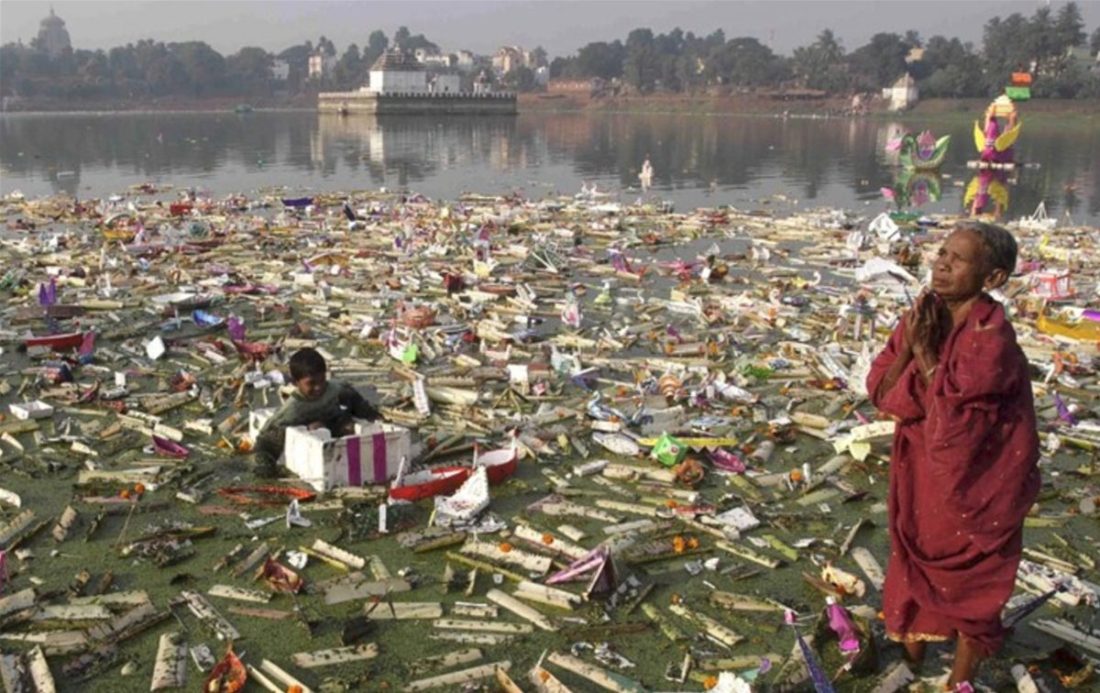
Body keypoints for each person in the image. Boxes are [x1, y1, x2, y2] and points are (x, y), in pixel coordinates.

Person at [866, 222, 1039, 690]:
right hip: (922, 471)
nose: (941, 263)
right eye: (941, 253)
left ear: (993, 277)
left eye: (958, 258)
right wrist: (916, 350)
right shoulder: (921, 317)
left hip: (979, 481)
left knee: (974, 577)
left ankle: (958, 682)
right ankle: (913, 654)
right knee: (914, 555)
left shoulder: (992, 337)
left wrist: (923, 356)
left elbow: (957, 419)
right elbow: (880, 389)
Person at [253, 347, 380, 478]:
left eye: (321, 380)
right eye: (311, 383)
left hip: (335, 427)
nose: (318, 387)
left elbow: (357, 403)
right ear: (296, 383)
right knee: (316, 427)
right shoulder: (293, 409)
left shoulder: (336, 389)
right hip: (310, 440)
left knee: (348, 425)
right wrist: (265, 466)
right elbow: (265, 442)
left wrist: (374, 416)